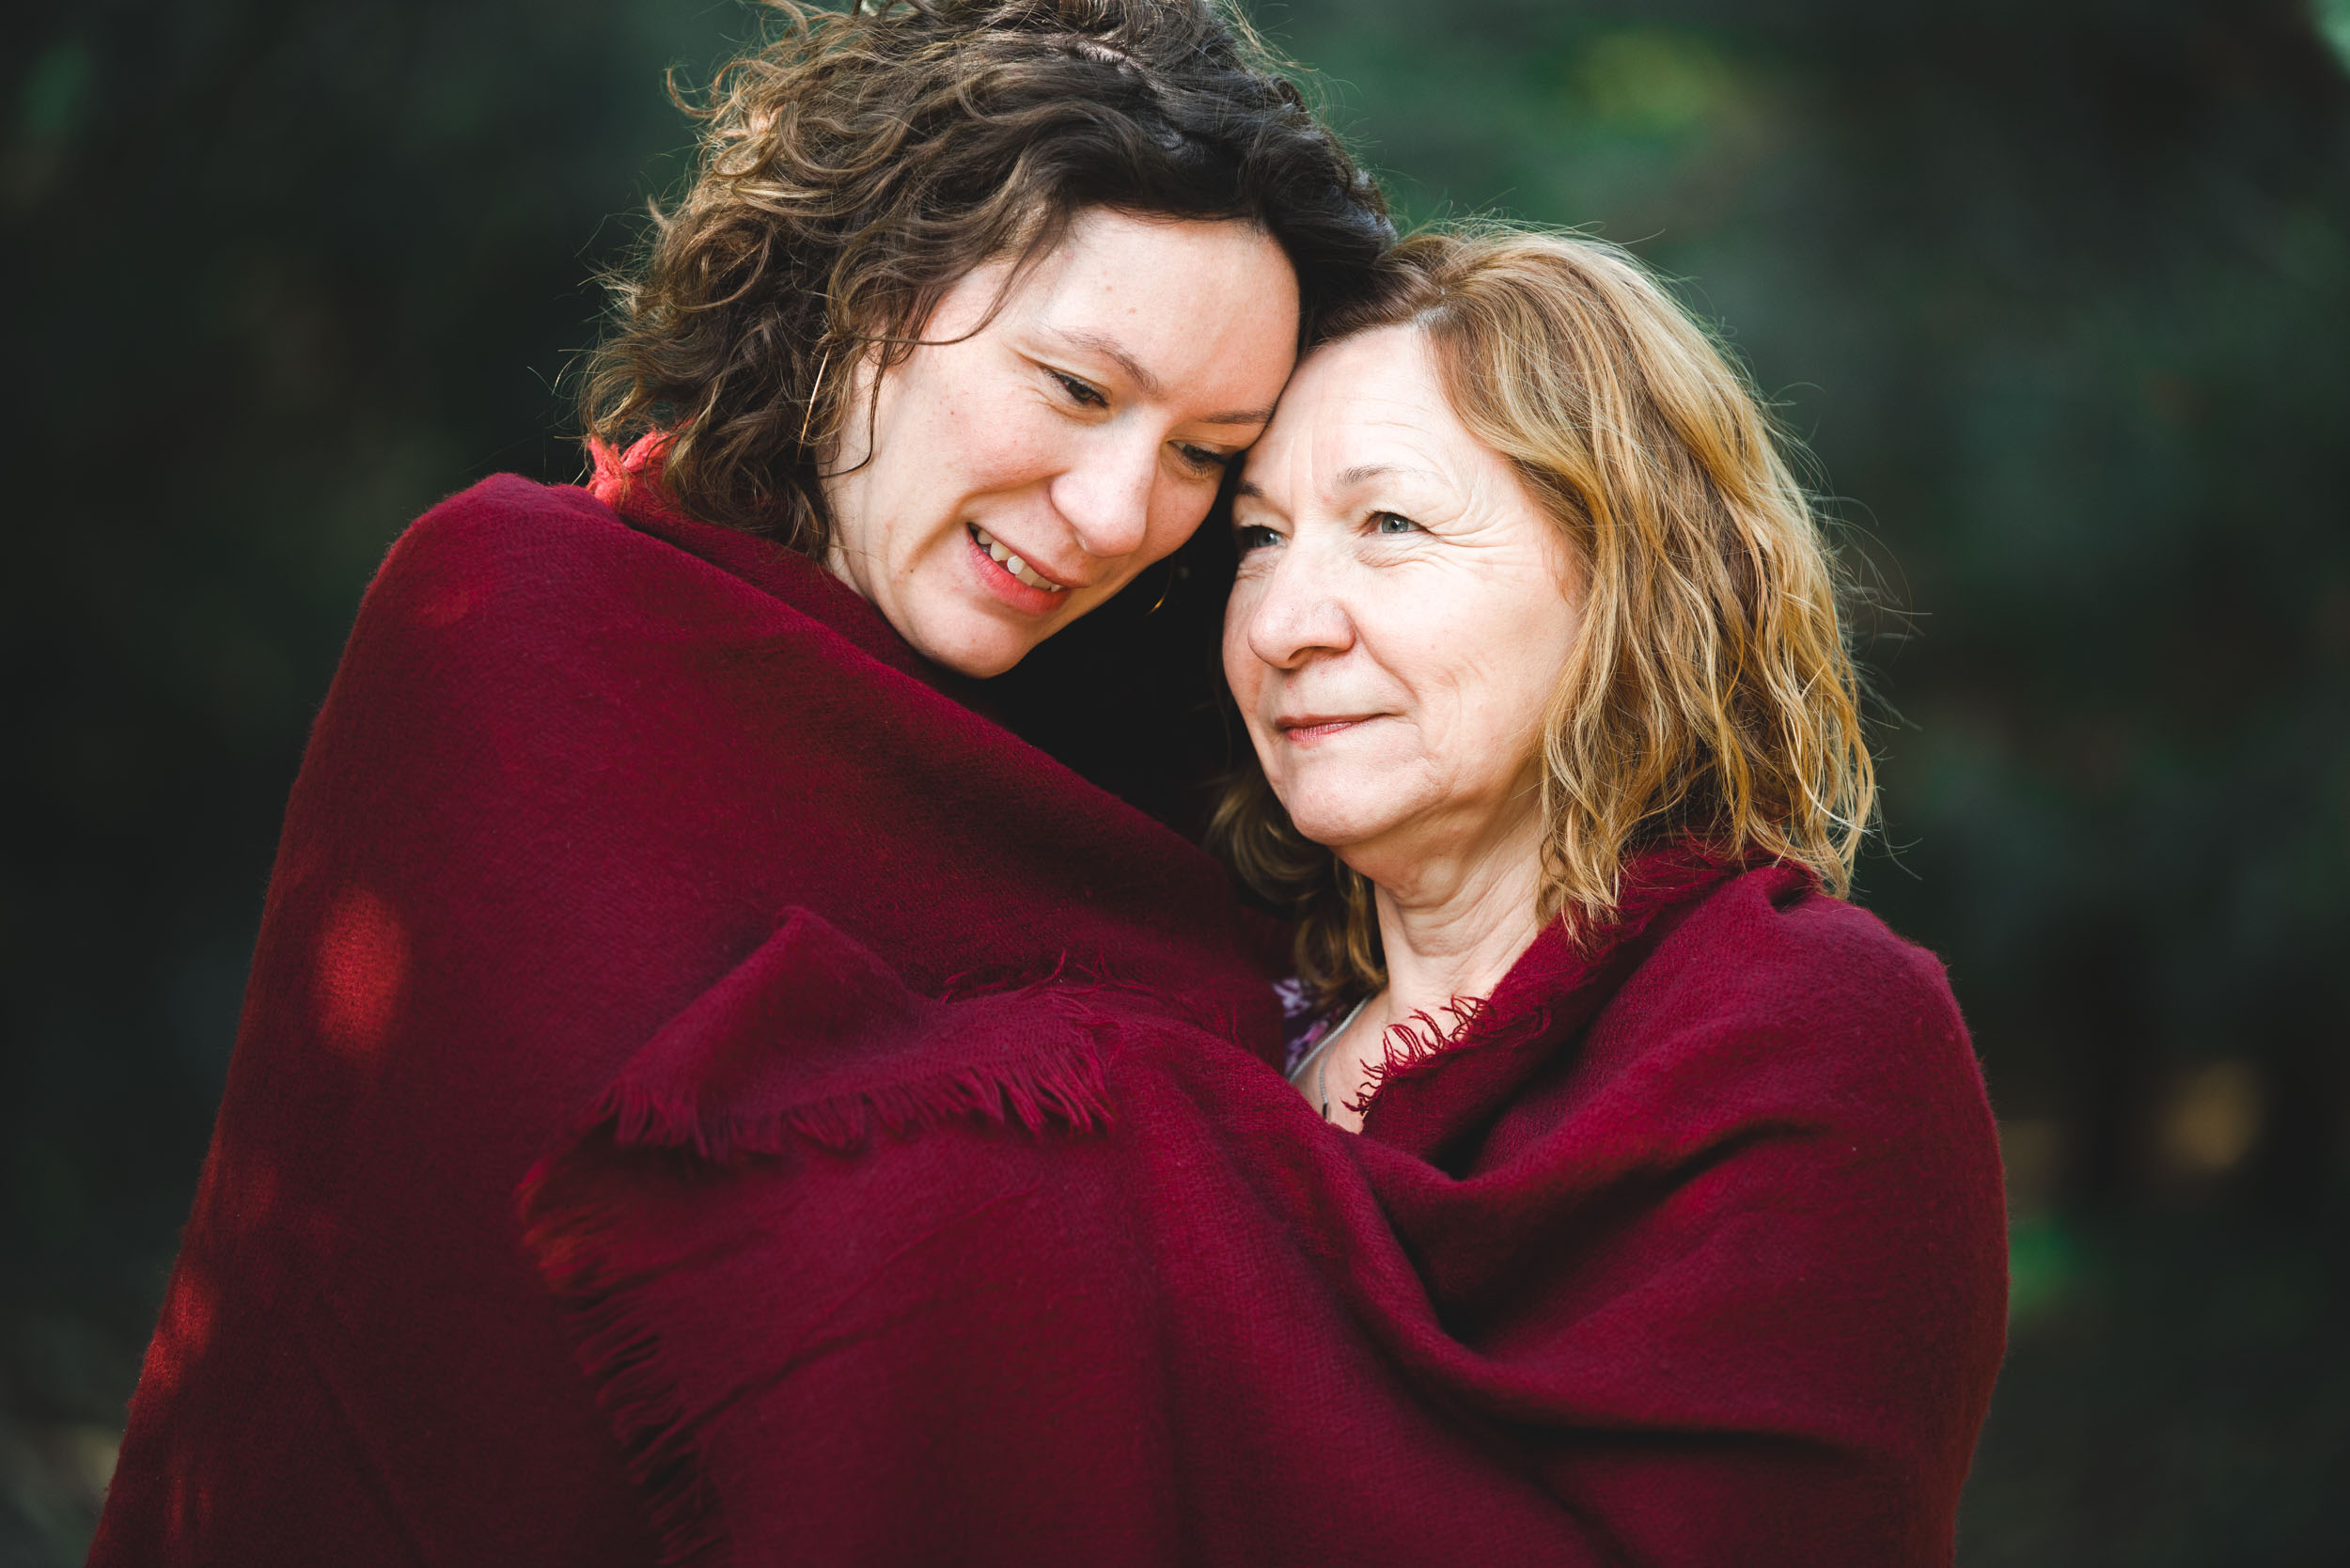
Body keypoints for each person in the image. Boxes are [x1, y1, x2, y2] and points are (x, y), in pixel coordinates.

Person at [87, 3, 1386, 1562]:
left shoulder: (1201, 783)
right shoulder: (513, 621)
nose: (1119, 514)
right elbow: (407, 1297)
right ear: (863, 292)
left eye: (1203, 457)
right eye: (1077, 389)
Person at [511, 227, 2007, 1566]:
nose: (1287, 624)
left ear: (1634, 574)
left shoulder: (1810, 1037)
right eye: (1258, 541)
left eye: (1391, 527)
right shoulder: (1216, 1005)